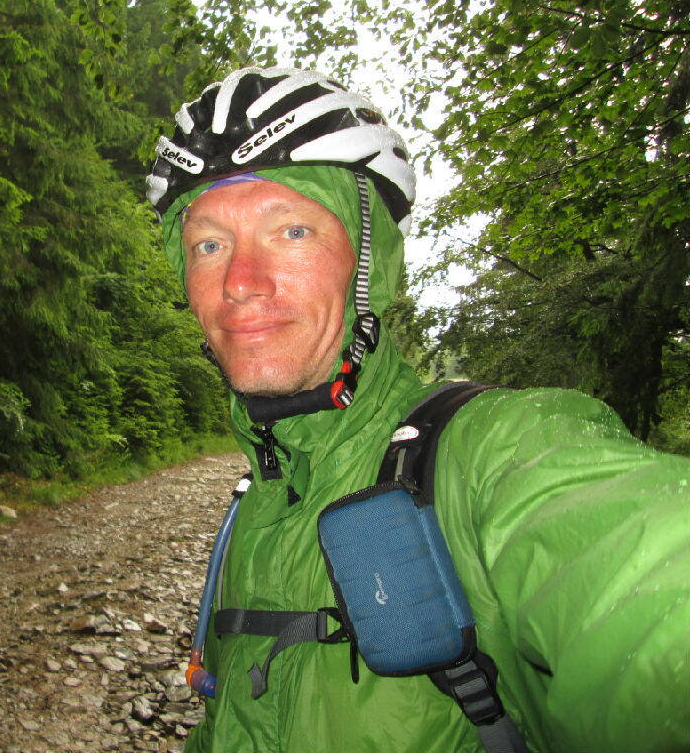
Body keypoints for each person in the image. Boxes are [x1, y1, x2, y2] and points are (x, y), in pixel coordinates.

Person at [145, 67, 690, 753]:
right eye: (209, 244)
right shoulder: (258, 500)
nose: (240, 283)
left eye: (292, 231)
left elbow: (644, 576)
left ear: (368, 264)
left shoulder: (495, 449)